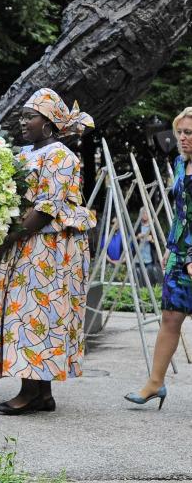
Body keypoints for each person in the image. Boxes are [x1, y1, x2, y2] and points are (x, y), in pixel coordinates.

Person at [0, 88, 96, 415]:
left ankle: (30, 392)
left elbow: (48, 207)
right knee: (29, 313)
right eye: (22, 116)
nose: (23, 122)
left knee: (35, 314)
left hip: (50, 247)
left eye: (30, 116)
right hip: (30, 242)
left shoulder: (60, 155)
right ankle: (41, 393)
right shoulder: (23, 154)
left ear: (49, 123)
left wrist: (10, 238)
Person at [125, 106, 192, 409]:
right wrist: (170, 245)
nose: (182, 137)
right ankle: (155, 382)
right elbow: (181, 211)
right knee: (169, 317)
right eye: (180, 131)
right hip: (180, 252)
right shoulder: (180, 163)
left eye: (189, 133)